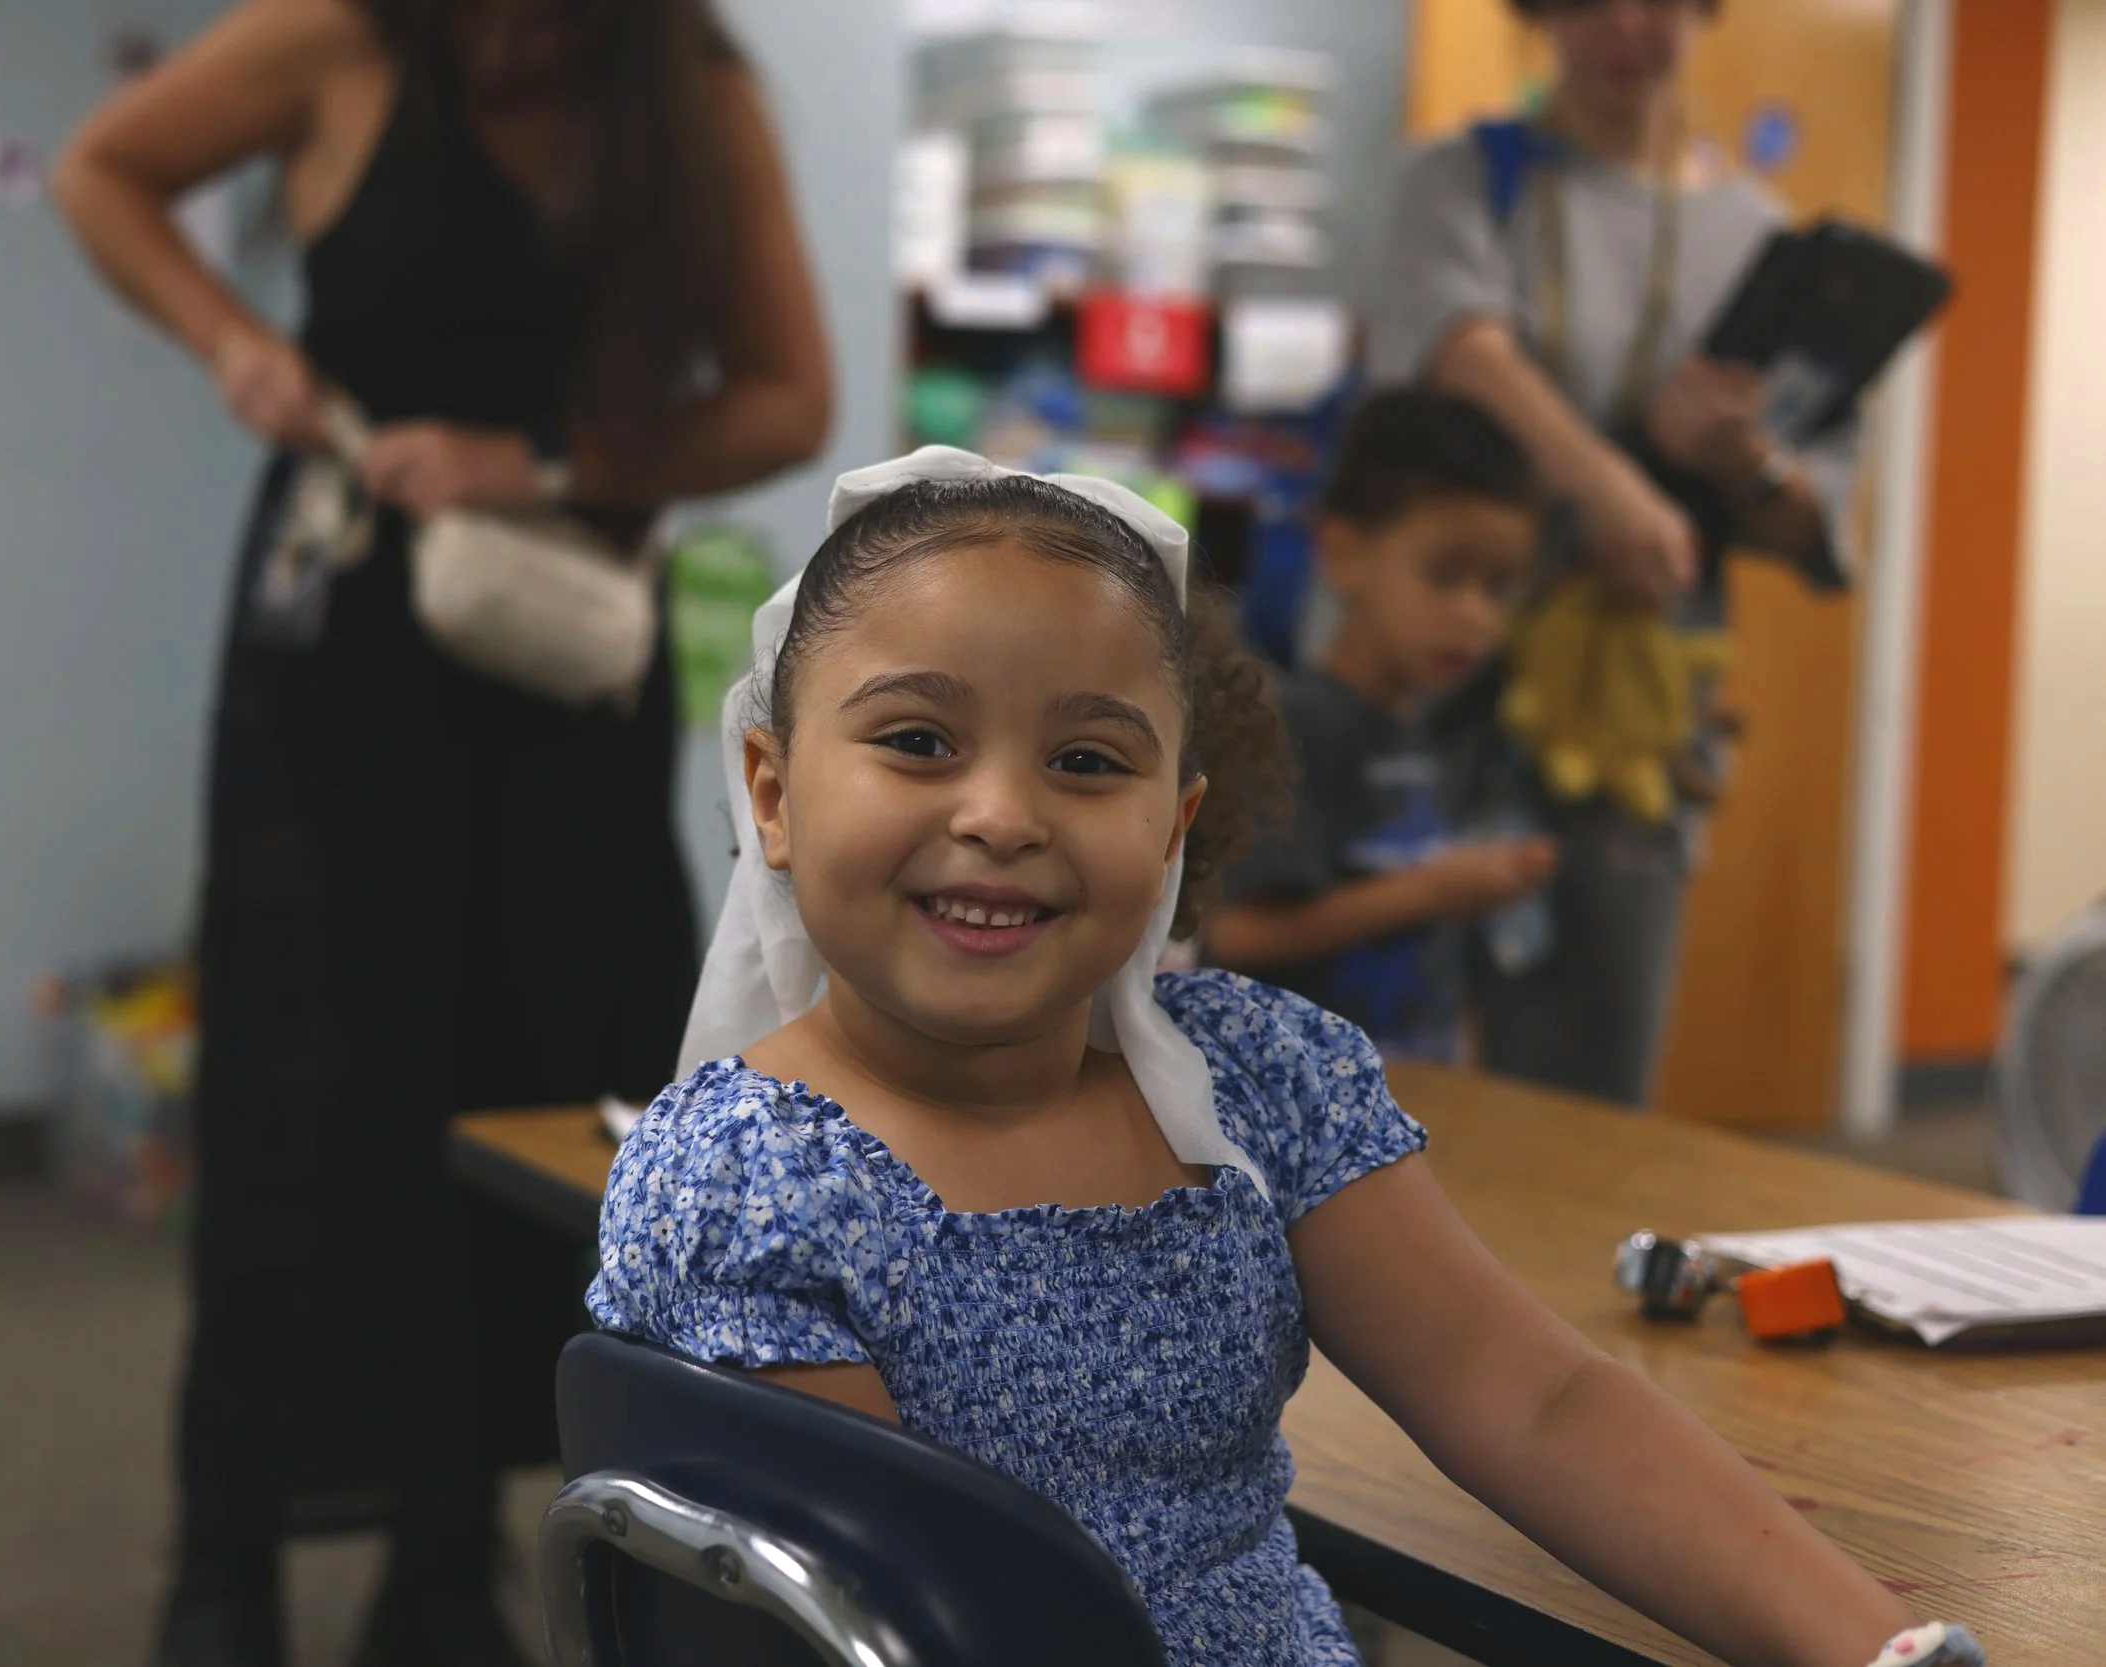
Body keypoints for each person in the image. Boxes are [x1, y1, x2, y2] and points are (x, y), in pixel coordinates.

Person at [586, 447, 1981, 1667]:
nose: (1002, 812)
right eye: (918, 740)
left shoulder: (1256, 1082)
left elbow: (1538, 1398)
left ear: (1178, 818)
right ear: (771, 791)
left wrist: (1880, 1647)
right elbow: (911, 1614)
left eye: (1088, 760)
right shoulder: (748, 1182)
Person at [53, 3, 831, 1663]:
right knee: (297, 1080)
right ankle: (226, 1554)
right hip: (332, 664)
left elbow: (787, 396)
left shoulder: (695, 93)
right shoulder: (328, 42)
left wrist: (540, 457)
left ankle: (442, 1543)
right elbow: (102, 171)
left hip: (557, 655)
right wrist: (224, 339)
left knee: (530, 1078)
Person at [1366, 0, 1854, 1105]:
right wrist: (1609, 487)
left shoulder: (1759, 241)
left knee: (1583, 1093)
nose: (1624, 28)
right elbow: (1460, 348)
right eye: (1586, 1)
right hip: (1418, 693)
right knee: (1363, 1070)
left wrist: (1737, 459)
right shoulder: (1458, 179)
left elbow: (1814, 523)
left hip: (1621, 726)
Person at [1205, 388, 1552, 1061]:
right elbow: (1241, 934)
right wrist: (1439, 889)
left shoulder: (1422, 733)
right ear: (1344, 554)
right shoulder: (1296, 724)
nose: (1476, 615)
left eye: (1499, 587)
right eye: (1446, 575)